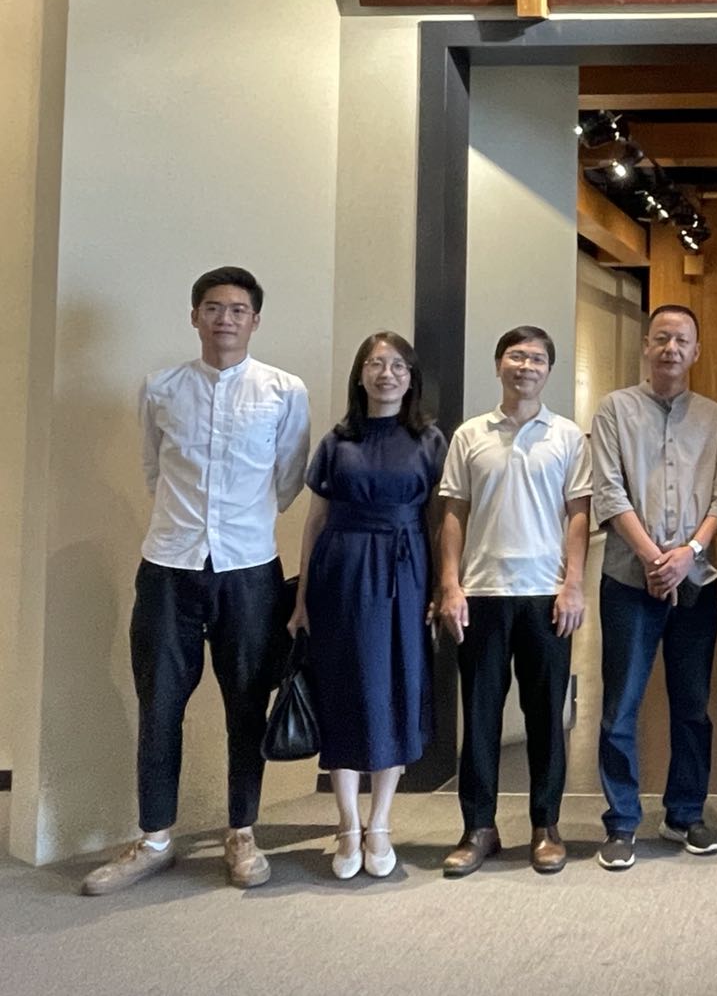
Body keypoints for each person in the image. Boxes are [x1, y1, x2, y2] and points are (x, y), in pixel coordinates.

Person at [80, 266, 310, 895]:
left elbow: (289, 477)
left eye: (237, 310)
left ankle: (242, 832)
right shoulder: (161, 388)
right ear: (194, 317)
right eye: (213, 308)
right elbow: (154, 470)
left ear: (255, 320)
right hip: (169, 567)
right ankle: (155, 838)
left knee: (247, 705)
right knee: (159, 705)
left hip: (249, 571)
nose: (224, 319)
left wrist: (239, 522)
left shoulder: (284, 391)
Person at [286, 332, 446, 879]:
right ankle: (347, 823)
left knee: (394, 687)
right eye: (376, 364)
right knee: (344, 688)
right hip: (341, 574)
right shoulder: (338, 441)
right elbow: (315, 521)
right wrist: (302, 597)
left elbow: (438, 521)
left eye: (398, 365)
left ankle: (380, 822)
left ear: (411, 377)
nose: (386, 374)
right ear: (360, 375)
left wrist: (439, 587)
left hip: (404, 574)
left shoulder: (429, 440)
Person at [435, 326, 592, 877]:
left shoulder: (567, 436)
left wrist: (574, 584)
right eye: (516, 356)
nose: (526, 366)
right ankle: (478, 827)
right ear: (499, 363)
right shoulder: (469, 435)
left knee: (547, 716)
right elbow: (453, 513)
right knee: (479, 716)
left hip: (547, 595)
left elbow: (578, 515)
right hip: (481, 593)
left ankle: (546, 826)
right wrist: (450, 586)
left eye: (537, 358)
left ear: (549, 370)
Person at [589, 304, 717, 871]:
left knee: (692, 705)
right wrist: (654, 559)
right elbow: (608, 492)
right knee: (621, 705)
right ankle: (622, 821)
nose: (671, 348)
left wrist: (687, 554)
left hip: (696, 582)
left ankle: (685, 813)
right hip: (629, 579)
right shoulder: (614, 409)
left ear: (696, 351)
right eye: (662, 339)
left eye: (682, 341)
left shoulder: (714, 418)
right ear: (646, 346)